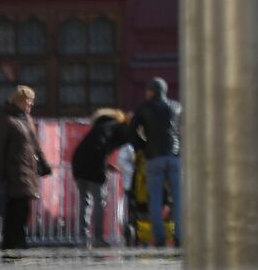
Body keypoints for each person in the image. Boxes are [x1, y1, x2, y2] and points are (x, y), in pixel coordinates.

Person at [0, 84, 53, 250]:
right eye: (27, 101)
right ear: (17, 101)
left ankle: (19, 245)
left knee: (23, 212)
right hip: (13, 175)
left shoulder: (27, 119)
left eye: (32, 101)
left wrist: (44, 163)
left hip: (26, 173)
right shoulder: (6, 120)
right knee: (14, 214)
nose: (31, 104)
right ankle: (12, 248)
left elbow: (35, 145)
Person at [129, 77, 181, 247]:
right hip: (174, 157)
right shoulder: (176, 106)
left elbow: (132, 130)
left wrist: (142, 147)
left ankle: (159, 238)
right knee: (179, 198)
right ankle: (180, 236)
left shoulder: (144, 107)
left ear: (151, 91)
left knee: (155, 199)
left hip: (153, 158)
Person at [71, 107, 133, 247]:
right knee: (100, 200)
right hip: (93, 164)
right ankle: (98, 237)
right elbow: (100, 148)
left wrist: (105, 165)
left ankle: (83, 238)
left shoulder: (100, 127)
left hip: (78, 163)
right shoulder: (118, 126)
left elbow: (95, 146)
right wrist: (101, 168)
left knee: (85, 201)